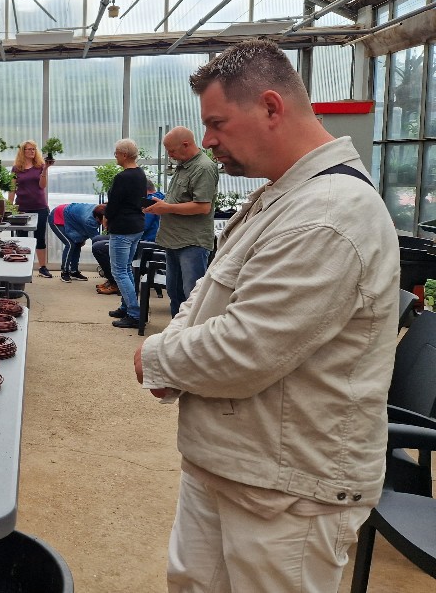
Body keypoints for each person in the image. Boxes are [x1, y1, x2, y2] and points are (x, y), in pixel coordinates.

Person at [134, 40, 400, 592]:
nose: (208, 139)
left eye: (217, 123)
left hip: (286, 491)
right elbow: (206, 293)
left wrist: (157, 356)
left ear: (271, 107)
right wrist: (174, 354)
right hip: (236, 464)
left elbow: (247, 347)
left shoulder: (329, 215)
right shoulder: (286, 195)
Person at [144, 126, 219, 316]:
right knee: (174, 292)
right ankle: (176, 331)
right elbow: (180, 200)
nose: (170, 155)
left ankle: (190, 332)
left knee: (191, 296)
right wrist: (161, 205)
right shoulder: (183, 165)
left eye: (172, 150)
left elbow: (203, 207)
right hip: (174, 240)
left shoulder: (203, 168)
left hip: (191, 243)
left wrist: (167, 208)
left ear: (186, 144)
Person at [103, 139, 148, 328]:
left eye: (116, 153)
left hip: (122, 228)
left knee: (119, 271)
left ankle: (135, 314)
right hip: (136, 226)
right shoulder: (140, 174)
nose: (115, 156)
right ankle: (126, 306)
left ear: (124, 154)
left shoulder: (122, 177)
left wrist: (106, 217)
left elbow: (114, 203)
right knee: (127, 268)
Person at [94, 180, 163, 294]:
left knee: (99, 247)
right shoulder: (156, 198)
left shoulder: (150, 201)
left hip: (146, 244)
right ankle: (113, 280)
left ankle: (117, 283)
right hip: (144, 240)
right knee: (98, 239)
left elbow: (141, 226)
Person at [8, 140, 52, 277]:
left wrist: (45, 169)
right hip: (22, 208)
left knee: (40, 238)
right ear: (23, 151)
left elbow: (42, 185)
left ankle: (42, 267)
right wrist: (9, 207)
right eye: (29, 149)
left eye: (34, 149)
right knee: (22, 238)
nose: (32, 151)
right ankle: (23, 266)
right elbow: (12, 189)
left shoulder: (40, 166)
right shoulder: (16, 168)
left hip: (40, 207)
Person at [48, 202, 106, 282]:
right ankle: (64, 272)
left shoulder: (99, 210)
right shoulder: (89, 221)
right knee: (70, 244)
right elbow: (97, 240)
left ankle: (74, 271)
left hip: (70, 216)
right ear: (97, 218)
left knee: (78, 243)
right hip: (57, 216)